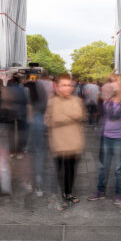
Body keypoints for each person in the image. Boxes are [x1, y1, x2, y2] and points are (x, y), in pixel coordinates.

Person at [45, 73, 85, 208]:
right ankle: (57, 195)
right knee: (58, 171)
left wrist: (63, 115)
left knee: (70, 171)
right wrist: (70, 116)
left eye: (69, 85)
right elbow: (53, 119)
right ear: (57, 87)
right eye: (63, 85)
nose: (67, 88)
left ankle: (68, 193)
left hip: (73, 143)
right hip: (58, 143)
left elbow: (80, 115)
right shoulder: (52, 101)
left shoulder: (77, 100)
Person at [88, 73, 121, 205]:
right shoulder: (108, 99)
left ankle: (119, 193)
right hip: (106, 136)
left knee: (118, 168)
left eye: (114, 82)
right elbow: (103, 115)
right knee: (103, 166)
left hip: (120, 138)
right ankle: (100, 191)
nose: (111, 84)